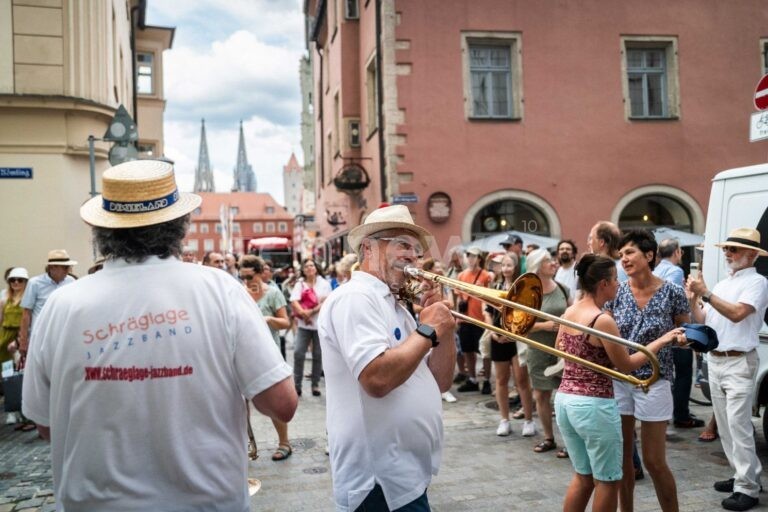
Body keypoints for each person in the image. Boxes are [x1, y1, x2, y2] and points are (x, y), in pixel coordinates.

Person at [21, 159, 297, 511]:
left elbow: (44, 425)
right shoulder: (218, 289)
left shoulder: (61, 305)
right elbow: (282, 404)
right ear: (181, 228)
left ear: (103, 231)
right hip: (206, 502)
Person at [318, 205, 456, 511]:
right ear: (369, 248)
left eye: (417, 250)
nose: (413, 256)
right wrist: (429, 329)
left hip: (403, 473)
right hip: (377, 479)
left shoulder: (394, 304)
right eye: (402, 245)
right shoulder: (356, 297)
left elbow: (440, 383)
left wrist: (444, 331)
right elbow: (377, 379)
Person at [555, 254, 685, 512]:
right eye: (615, 280)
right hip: (594, 406)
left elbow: (559, 348)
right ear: (603, 283)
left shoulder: (570, 311)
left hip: (565, 400)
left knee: (583, 477)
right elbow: (626, 365)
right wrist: (661, 340)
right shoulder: (601, 319)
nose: (619, 284)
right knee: (608, 481)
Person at [605, 229, 690, 512]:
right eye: (621, 255)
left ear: (649, 255)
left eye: (629, 253)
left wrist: (681, 339)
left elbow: (684, 330)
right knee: (624, 459)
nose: (624, 259)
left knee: (654, 460)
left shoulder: (672, 291)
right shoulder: (615, 291)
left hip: (655, 380)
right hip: (618, 379)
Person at [687, 227, 768, 512]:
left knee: (739, 425)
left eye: (733, 249)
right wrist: (693, 298)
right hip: (718, 359)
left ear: (752, 254)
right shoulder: (723, 284)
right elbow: (704, 319)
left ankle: (748, 487)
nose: (728, 253)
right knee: (724, 425)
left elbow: (736, 314)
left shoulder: (758, 282)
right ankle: (740, 476)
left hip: (738, 361)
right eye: (726, 248)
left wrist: (705, 293)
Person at [239, 254, 293, 462]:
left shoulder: (273, 293)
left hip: (268, 353)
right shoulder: (240, 293)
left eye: (249, 276)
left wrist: (269, 319)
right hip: (243, 353)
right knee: (240, 404)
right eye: (242, 277)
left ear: (260, 273)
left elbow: (286, 323)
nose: (246, 281)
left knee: (274, 400)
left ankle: (284, 443)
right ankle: (245, 445)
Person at [524, 249, 572, 454]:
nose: (553, 263)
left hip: (563, 349)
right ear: (537, 266)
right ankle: (549, 438)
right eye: (548, 261)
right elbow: (520, 325)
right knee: (541, 395)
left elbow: (573, 315)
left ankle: (571, 442)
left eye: (553, 260)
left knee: (567, 395)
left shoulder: (562, 288)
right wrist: (544, 326)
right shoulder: (528, 293)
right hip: (537, 350)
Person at [654, 238, 703, 429]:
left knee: (666, 373)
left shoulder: (656, 270)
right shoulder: (675, 271)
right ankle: (681, 414)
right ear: (676, 252)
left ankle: (666, 413)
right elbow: (674, 300)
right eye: (681, 251)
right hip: (676, 330)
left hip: (661, 332)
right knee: (683, 373)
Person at [485, 254, 536, 437]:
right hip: (498, 337)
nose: (506, 268)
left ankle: (528, 419)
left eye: (509, 265)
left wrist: (512, 335)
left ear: (515, 267)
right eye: (503, 265)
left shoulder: (521, 288)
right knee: (501, 380)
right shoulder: (495, 287)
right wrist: (492, 331)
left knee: (521, 380)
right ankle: (504, 419)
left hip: (515, 339)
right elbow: (488, 312)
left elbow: (525, 316)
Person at [17, 249, 78, 358]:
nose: (68, 270)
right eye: (65, 267)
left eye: (68, 267)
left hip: (63, 336)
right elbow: (26, 314)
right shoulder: (35, 283)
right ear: (52, 267)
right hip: (41, 336)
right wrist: (23, 341)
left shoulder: (71, 282)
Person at [290, 257, 332, 397]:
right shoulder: (299, 284)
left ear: (316, 268)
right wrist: (304, 313)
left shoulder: (324, 284)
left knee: (318, 355)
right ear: (303, 269)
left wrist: (311, 312)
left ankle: (315, 385)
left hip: (319, 325)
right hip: (303, 325)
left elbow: (326, 301)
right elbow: (294, 301)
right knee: (298, 353)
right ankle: (297, 385)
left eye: (312, 265)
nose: (309, 268)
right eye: (306, 266)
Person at [456, 246, 493, 394]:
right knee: (467, 351)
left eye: (474, 256)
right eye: (469, 256)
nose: (471, 259)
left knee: (484, 352)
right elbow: (458, 297)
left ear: (479, 258)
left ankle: (487, 380)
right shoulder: (461, 276)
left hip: (481, 320)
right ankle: (472, 379)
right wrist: (458, 317)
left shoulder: (485, 276)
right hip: (465, 320)